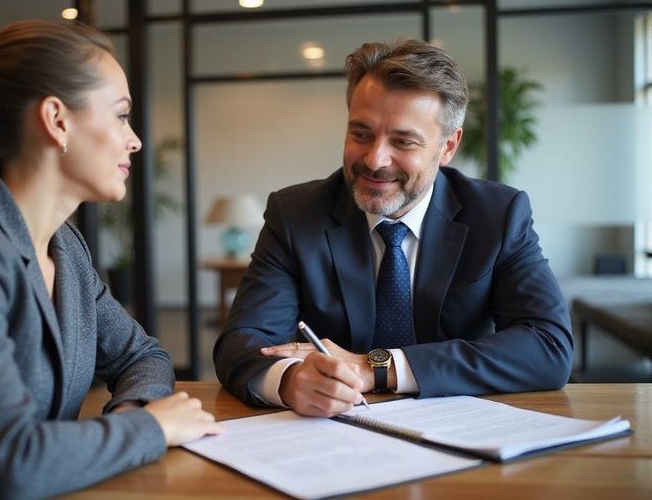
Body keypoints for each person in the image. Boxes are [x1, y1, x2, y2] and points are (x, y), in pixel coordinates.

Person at [0, 20, 222, 499]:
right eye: (120, 115)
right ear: (57, 120)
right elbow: (12, 463)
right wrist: (149, 430)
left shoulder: (64, 246)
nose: (135, 141)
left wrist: (134, 414)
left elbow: (143, 354)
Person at [214, 38, 573, 418]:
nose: (374, 159)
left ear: (448, 146)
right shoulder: (296, 214)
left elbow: (548, 346)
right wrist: (290, 381)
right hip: (336, 439)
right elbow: (241, 343)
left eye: (402, 141)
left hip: (466, 428)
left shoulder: (498, 214)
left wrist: (375, 367)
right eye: (361, 134)